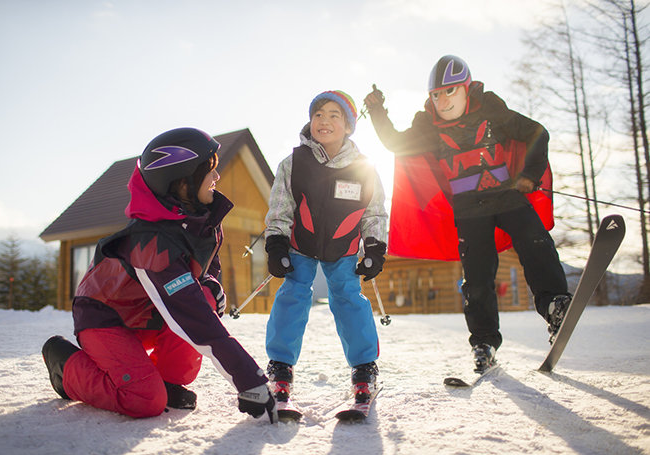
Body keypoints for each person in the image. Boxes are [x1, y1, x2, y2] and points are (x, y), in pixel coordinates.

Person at [41, 127, 275, 421]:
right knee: (145, 400)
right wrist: (249, 381)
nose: (217, 178)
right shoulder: (150, 243)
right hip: (106, 320)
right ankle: (67, 367)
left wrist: (210, 283)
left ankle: (152, 378)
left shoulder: (203, 221)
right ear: (181, 182)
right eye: (209, 171)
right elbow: (192, 317)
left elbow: (203, 273)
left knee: (185, 360)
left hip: (148, 313)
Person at [364, 55, 571, 372]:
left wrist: (530, 173)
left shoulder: (491, 110)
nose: (442, 100)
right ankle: (485, 342)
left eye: (449, 91)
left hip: (507, 196)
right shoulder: (428, 126)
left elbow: (536, 133)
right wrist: (377, 110)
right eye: (436, 94)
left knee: (535, 241)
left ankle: (554, 304)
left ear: (466, 88)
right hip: (469, 211)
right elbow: (395, 142)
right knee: (477, 277)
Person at [264, 90, 388, 408]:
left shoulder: (364, 168)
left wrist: (374, 248)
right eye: (319, 114)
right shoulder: (294, 163)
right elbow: (280, 205)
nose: (325, 121)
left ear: (348, 126)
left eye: (334, 115)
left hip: (343, 249)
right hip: (300, 245)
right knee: (293, 295)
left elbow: (374, 211)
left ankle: (364, 368)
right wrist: (276, 242)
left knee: (348, 299)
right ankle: (280, 365)